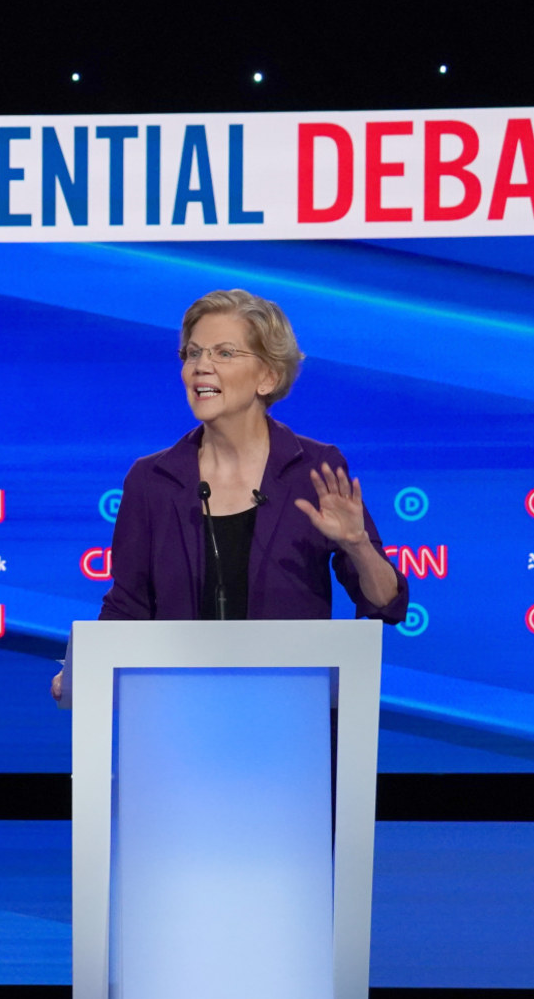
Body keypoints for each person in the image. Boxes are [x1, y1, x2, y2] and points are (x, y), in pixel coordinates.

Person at [53, 288, 406, 700]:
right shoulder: (152, 480)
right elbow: (128, 607)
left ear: (268, 376)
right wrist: (84, 675)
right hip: (175, 717)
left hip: (291, 721)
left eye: (223, 353)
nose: (201, 367)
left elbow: (385, 604)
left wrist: (357, 545)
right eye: (192, 353)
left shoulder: (313, 469)